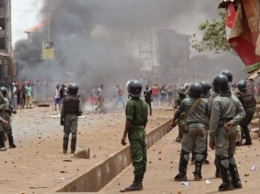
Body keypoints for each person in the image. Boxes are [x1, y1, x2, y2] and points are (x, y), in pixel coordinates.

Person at [209, 74, 245, 191]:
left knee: (221, 156)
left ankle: (227, 183)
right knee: (230, 155)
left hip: (221, 130)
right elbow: (242, 113)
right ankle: (237, 181)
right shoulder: (234, 98)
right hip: (233, 128)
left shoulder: (217, 101)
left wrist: (212, 137)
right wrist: (233, 122)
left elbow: (214, 122)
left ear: (218, 86)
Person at [168, 83, 208, 181]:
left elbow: (177, 113)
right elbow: (208, 114)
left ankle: (182, 174)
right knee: (199, 151)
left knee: (185, 151)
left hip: (189, 128)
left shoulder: (185, 101)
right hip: (201, 128)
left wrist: (173, 123)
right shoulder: (205, 102)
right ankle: (197, 174)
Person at [120, 80, 148, 192]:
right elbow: (146, 120)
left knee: (137, 157)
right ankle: (140, 181)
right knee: (143, 157)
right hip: (142, 131)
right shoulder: (144, 104)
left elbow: (129, 121)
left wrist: (124, 135)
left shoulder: (131, 103)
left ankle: (136, 183)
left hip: (135, 132)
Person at [60, 83, 82, 154]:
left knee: (66, 133)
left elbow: (62, 110)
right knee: (74, 133)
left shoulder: (65, 99)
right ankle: (72, 150)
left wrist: (61, 119)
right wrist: (78, 114)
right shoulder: (78, 99)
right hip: (74, 116)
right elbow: (80, 110)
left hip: (66, 117)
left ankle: (64, 149)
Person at [236, 80, 256, 145]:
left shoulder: (239, 95)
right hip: (252, 109)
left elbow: (236, 104)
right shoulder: (250, 93)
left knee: (240, 125)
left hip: (246, 111)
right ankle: (248, 140)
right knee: (245, 125)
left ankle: (239, 141)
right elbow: (255, 102)